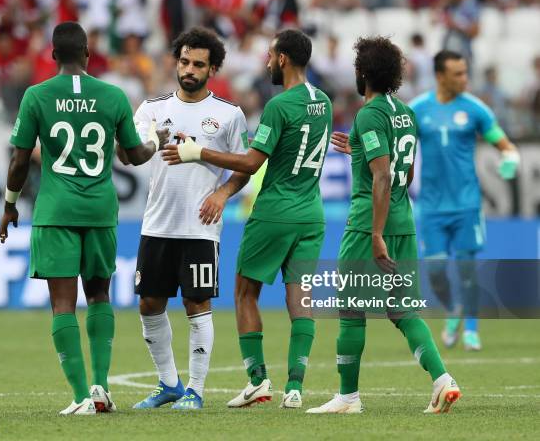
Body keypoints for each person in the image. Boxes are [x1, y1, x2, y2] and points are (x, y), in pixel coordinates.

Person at [0, 21, 166, 416]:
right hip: (100, 210)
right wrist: (156, 140)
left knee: (62, 304)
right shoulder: (113, 95)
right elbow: (135, 155)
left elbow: (20, 159)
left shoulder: (36, 95)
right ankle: (101, 388)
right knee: (99, 296)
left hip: (56, 211)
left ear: (53, 56)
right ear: (89, 54)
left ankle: (78, 398)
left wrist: (9, 205)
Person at [163, 29, 332, 409]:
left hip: (275, 212)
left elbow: (253, 162)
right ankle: (295, 387)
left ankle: (258, 380)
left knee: (244, 292)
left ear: (284, 59)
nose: (267, 62)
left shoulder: (279, 105)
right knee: (301, 296)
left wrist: (198, 152)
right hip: (311, 213)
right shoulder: (323, 100)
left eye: (271, 55)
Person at [314, 36, 460, 414]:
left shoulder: (369, 113)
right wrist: (360, 150)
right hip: (404, 222)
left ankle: (348, 397)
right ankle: (443, 380)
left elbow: (383, 175)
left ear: (361, 73)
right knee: (403, 308)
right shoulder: (406, 112)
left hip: (368, 226)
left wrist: (376, 233)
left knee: (350, 309)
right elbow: (406, 171)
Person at [122, 27, 250, 410]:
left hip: (200, 225)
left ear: (212, 70)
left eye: (198, 64)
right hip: (157, 223)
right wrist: (148, 142)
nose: (189, 69)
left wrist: (223, 193)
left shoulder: (228, 115)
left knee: (196, 304)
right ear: (176, 62)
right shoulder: (151, 109)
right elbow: (130, 155)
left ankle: (195, 389)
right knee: (149, 304)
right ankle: (169, 383)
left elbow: (246, 165)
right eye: (184, 61)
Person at [408, 50, 519, 351]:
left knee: (468, 269)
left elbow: (506, 146)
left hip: (467, 205)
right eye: (457, 74)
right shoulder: (417, 109)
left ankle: (471, 328)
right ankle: (453, 308)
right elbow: (398, 147)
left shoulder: (476, 109)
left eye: (465, 72)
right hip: (431, 207)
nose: (464, 79)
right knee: (435, 271)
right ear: (440, 76)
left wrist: (510, 159)